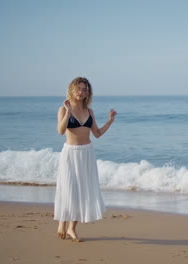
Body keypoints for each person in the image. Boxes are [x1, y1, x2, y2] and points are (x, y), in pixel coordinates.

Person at [54, 77, 117, 242]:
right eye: (79, 88)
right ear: (72, 90)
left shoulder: (89, 111)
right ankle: (62, 223)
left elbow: (96, 134)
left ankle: (72, 229)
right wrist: (68, 112)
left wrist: (110, 121)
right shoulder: (63, 109)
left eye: (84, 89)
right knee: (68, 189)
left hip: (87, 153)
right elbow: (60, 131)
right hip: (70, 153)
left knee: (82, 191)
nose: (81, 92)